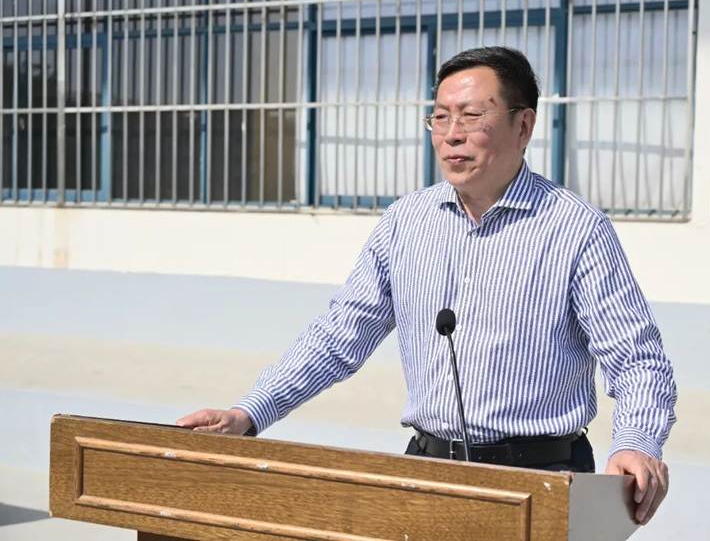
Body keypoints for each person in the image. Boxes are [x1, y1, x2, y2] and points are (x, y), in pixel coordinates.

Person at [178, 46, 677, 526]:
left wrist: (636, 441)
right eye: (440, 118)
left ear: (523, 126)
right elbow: (338, 336)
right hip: (427, 471)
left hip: (540, 477)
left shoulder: (575, 228)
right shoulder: (406, 221)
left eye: (471, 117)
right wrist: (250, 413)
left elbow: (637, 358)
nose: (451, 135)